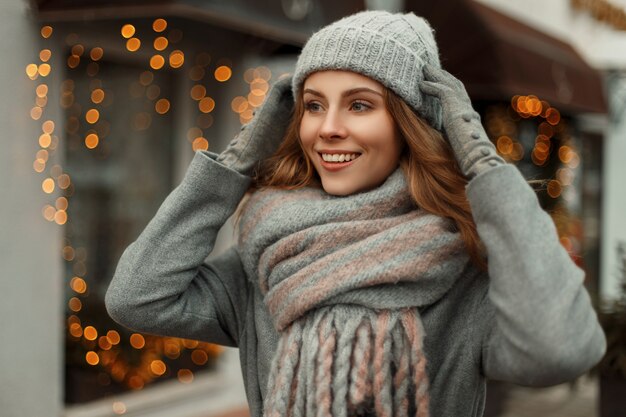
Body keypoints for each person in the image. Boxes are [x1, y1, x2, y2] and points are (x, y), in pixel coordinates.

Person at [105, 10, 606, 417]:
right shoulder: (270, 257)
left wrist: (482, 162)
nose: (328, 128)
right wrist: (238, 160)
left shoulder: (464, 267)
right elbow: (137, 297)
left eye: (360, 105)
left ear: (410, 124)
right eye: (314, 106)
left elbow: (562, 349)